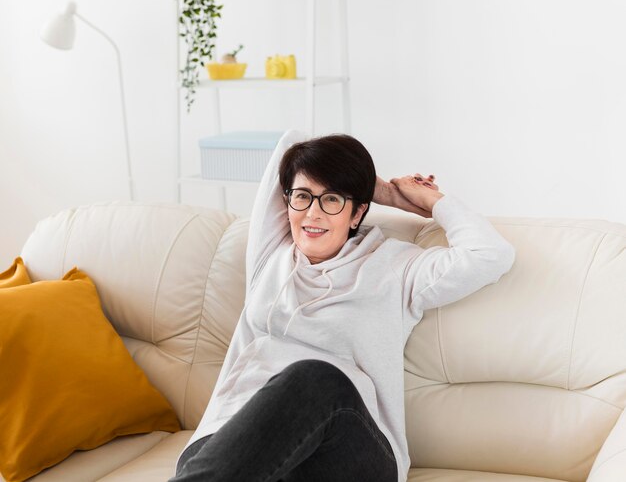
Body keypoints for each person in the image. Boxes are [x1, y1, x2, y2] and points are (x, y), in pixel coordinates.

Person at [170, 130, 515, 482]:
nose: (312, 214)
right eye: (302, 197)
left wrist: (407, 197)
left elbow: (490, 255)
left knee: (312, 376)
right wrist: (375, 188)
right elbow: (292, 141)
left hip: (351, 450)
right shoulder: (270, 254)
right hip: (236, 444)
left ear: (357, 213)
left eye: (332, 200)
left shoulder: (396, 267)